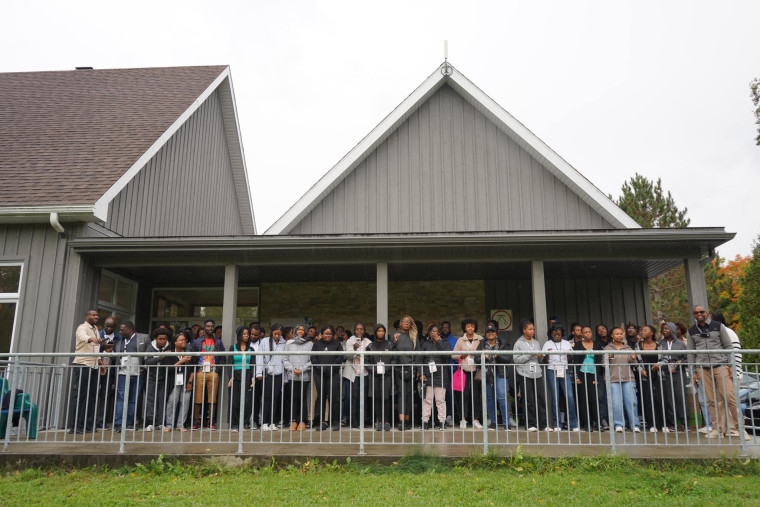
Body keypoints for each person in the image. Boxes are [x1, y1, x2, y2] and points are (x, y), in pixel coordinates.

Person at [687, 305, 749, 440]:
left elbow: (728, 346)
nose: (699, 314)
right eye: (696, 312)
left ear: (706, 313)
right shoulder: (691, 331)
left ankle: (741, 429)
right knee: (711, 401)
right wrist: (693, 372)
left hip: (720, 365)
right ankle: (717, 429)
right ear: (693, 314)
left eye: (702, 312)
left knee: (730, 397)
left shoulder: (718, 326)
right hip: (703, 368)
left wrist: (730, 365)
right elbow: (691, 353)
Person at [113, 321, 149, 431]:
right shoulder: (120, 342)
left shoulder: (143, 338)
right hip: (122, 373)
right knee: (121, 398)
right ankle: (118, 423)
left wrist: (145, 367)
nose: (120, 332)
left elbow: (149, 353)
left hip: (138, 373)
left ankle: (130, 423)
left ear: (129, 329)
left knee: (133, 399)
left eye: (121, 329)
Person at [513, 319, 548, 432]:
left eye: (533, 329)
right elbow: (516, 360)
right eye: (530, 329)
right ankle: (530, 424)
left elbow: (539, 360)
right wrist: (530, 355)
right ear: (524, 330)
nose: (532, 331)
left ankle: (543, 424)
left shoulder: (536, 343)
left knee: (541, 398)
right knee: (528, 399)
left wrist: (540, 356)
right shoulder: (518, 343)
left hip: (537, 373)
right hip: (524, 374)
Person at [542, 325, 579, 432]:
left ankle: (573, 424)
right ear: (551, 334)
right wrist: (546, 356)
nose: (557, 336)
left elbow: (571, 359)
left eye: (559, 334)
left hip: (564, 370)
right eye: (554, 334)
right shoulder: (547, 344)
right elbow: (543, 360)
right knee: (555, 397)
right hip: (551, 371)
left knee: (570, 396)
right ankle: (557, 424)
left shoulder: (566, 343)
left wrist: (569, 355)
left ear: (562, 334)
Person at [191, 319, 226, 430]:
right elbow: (193, 357)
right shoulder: (197, 342)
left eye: (212, 326)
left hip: (213, 371)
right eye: (208, 326)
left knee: (212, 398)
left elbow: (223, 357)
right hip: (200, 371)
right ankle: (196, 420)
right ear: (204, 327)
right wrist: (196, 369)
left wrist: (218, 370)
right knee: (198, 397)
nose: (210, 328)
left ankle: (211, 421)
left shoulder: (218, 342)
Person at [605, 327, 640, 433]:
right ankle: (619, 424)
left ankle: (634, 424)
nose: (619, 335)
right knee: (616, 403)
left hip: (628, 378)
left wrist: (633, 358)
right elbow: (603, 364)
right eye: (617, 334)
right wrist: (607, 359)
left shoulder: (628, 348)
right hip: (613, 378)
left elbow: (634, 364)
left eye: (621, 334)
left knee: (632, 402)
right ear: (612, 335)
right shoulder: (607, 348)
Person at [70, 309, 101, 434]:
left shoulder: (96, 329)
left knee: (91, 396)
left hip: (94, 365)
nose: (96, 317)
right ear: (87, 316)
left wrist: (99, 360)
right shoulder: (82, 327)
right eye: (93, 315)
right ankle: (75, 426)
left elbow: (96, 346)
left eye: (97, 315)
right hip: (83, 364)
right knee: (81, 395)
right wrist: (92, 339)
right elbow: (83, 337)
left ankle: (85, 424)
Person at [451, 318, 484, 429]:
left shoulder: (480, 339)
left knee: (476, 395)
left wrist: (477, 354)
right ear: (464, 328)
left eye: (472, 326)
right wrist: (461, 356)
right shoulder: (460, 340)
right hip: (464, 370)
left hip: (476, 371)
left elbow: (484, 351)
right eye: (468, 326)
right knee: (463, 395)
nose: (470, 328)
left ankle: (476, 420)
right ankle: (463, 419)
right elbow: (453, 355)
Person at [479, 323, 512, 431]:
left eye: (492, 331)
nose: (490, 333)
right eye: (488, 332)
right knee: (490, 398)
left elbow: (508, 358)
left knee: (502, 397)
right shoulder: (482, 343)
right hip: (487, 373)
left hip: (500, 373)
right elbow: (476, 359)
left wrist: (497, 355)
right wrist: (484, 357)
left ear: (496, 333)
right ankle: (493, 422)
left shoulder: (504, 343)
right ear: (486, 334)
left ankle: (506, 423)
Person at [311, 325, 343, 431]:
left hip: (333, 374)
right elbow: (313, 357)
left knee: (334, 397)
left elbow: (340, 358)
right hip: (319, 374)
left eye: (330, 334)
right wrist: (320, 368)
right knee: (321, 397)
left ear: (333, 334)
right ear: (322, 334)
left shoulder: (337, 344)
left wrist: (331, 368)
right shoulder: (316, 344)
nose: (328, 336)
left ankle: (335, 421)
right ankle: (322, 422)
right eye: (325, 333)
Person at [282, 324, 313, 431]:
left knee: (303, 398)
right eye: (298, 329)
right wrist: (292, 369)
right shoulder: (289, 343)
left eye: (302, 330)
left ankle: (302, 421)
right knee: (293, 398)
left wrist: (302, 369)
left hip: (304, 375)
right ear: (295, 331)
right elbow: (285, 359)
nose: (300, 331)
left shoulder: (310, 344)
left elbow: (312, 360)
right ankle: (293, 421)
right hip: (293, 375)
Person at [573, 325, 604, 431]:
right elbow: (576, 361)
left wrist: (597, 377)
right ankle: (587, 423)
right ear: (582, 334)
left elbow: (598, 362)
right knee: (583, 399)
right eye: (585, 332)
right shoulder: (578, 345)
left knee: (594, 399)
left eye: (589, 332)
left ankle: (598, 423)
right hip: (582, 373)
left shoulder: (597, 344)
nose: (588, 334)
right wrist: (577, 376)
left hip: (593, 374)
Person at [420, 324, 450, 430]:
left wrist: (439, 341)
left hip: (441, 375)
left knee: (440, 401)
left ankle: (442, 422)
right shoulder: (425, 344)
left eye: (435, 331)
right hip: (428, 375)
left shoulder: (445, 343)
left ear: (439, 333)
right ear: (428, 333)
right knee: (427, 400)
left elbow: (447, 355)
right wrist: (422, 373)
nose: (433, 333)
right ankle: (425, 422)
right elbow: (420, 359)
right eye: (431, 331)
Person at [257, 323, 287, 431]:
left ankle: (272, 422)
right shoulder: (264, 341)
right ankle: (264, 422)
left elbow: (285, 359)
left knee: (275, 398)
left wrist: (285, 377)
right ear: (272, 332)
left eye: (279, 334)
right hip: (267, 374)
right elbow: (260, 357)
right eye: (275, 334)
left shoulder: (284, 343)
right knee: (266, 398)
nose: (277, 336)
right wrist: (259, 373)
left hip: (279, 374)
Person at [660, 322, 688, 432]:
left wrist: (681, 363)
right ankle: (673, 423)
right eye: (663, 329)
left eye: (666, 328)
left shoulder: (681, 344)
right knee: (669, 398)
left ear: (672, 329)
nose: (664, 331)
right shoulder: (660, 344)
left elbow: (687, 358)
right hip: (665, 373)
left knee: (681, 397)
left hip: (679, 373)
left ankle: (685, 422)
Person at [342, 323, 372, 428]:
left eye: (361, 329)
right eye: (357, 329)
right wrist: (354, 349)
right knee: (354, 397)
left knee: (363, 398)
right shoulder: (350, 341)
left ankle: (362, 421)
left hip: (365, 372)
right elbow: (349, 357)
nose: (359, 331)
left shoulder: (368, 342)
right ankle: (354, 422)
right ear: (354, 330)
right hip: (353, 373)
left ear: (364, 331)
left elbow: (370, 357)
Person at [636, 324, 664, 433]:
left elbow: (666, 358)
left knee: (660, 399)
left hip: (658, 375)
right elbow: (636, 361)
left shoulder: (659, 345)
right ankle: (651, 424)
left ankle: (663, 424)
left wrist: (659, 364)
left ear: (652, 333)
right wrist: (640, 370)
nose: (642, 332)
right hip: (645, 375)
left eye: (645, 330)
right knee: (648, 399)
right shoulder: (638, 345)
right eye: (641, 330)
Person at [393, 315, 419, 431]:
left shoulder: (414, 336)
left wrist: (418, 369)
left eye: (409, 322)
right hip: (399, 369)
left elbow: (418, 354)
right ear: (401, 323)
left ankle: (407, 421)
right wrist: (394, 342)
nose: (407, 323)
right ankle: (401, 421)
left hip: (411, 369)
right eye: (405, 321)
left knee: (409, 395)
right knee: (401, 394)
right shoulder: (395, 335)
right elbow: (391, 351)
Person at [143, 328, 172, 431]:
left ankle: (160, 423)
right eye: (160, 339)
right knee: (151, 400)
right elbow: (147, 362)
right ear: (155, 339)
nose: (162, 341)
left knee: (162, 401)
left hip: (164, 378)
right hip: (152, 377)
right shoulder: (150, 347)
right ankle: (150, 422)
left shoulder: (169, 346)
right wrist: (161, 357)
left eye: (165, 339)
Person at [366, 323, 393, 431]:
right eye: (379, 331)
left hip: (387, 374)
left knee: (385, 397)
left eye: (382, 331)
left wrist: (388, 368)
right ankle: (380, 421)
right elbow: (367, 361)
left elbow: (394, 359)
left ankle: (386, 421)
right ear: (375, 332)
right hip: (375, 375)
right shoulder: (370, 346)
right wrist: (373, 370)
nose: (381, 333)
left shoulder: (389, 345)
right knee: (377, 398)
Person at [228, 326, 255, 432]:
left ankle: (244, 423)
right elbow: (229, 363)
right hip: (235, 375)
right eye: (244, 334)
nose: (246, 336)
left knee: (247, 401)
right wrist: (230, 377)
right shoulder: (233, 348)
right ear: (239, 335)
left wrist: (252, 377)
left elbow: (252, 364)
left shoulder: (251, 349)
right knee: (235, 401)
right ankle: (235, 424)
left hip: (247, 375)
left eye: (247, 334)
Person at [164, 333, 192, 432]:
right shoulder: (170, 353)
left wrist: (190, 382)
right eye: (181, 340)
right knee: (172, 401)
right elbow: (168, 369)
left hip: (186, 380)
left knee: (185, 402)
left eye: (184, 340)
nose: (184, 341)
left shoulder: (188, 353)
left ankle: (180, 425)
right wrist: (181, 361)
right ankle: (169, 425)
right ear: (175, 342)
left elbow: (193, 369)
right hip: (174, 381)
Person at [441, 320, 460, 426]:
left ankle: (452, 415)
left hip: (453, 371)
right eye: (443, 327)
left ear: (450, 328)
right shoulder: (439, 340)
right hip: (442, 371)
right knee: (443, 395)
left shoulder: (456, 341)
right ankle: (444, 416)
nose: (445, 329)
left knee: (452, 394)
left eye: (446, 327)